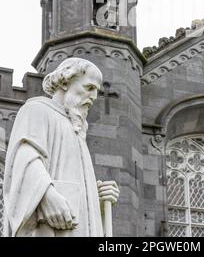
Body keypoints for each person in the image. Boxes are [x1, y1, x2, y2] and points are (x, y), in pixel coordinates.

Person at [3, 57, 120, 237]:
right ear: (65, 82)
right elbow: (25, 158)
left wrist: (97, 201)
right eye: (89, 87)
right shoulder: (37, 109)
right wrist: (46, 196)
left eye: (96, 91)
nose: (94, 97)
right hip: (50, 223)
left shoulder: (78, 130)